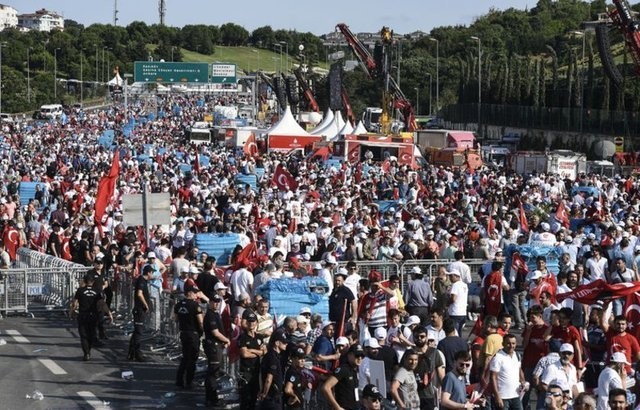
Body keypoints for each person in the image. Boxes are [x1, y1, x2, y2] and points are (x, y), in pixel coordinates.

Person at [71, 274, 110, 361]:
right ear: (93, 282)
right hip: (93, 315)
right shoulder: (97, 291)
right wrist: (109, 313)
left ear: (84, 281)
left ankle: (86, 353)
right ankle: (88, 350)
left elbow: (75, 303)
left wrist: (72, 312)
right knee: (91, 334)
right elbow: (102, 303)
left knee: (83, 335)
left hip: (83, 315)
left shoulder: (80, 290)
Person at [173, 285, 204, 389]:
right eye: (194, 293)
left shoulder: (178, 304)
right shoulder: (195, 305)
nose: (196, 295)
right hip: (193, 333)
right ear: (190, 293)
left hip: (183, 333)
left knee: (185, 357)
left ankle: (179, 379)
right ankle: (189, 381)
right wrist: (202, 330)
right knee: (192, 358)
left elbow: (175, 319)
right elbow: (200, 321)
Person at [203, 294, 230, 407]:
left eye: (218, 302)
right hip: (213, 346)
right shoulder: (210, 315)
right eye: (214, 302)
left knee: (213, 372)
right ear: (210, 302)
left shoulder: (215, 314)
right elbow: (215, 333)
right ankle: (212, 398)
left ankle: (211, 397)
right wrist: (226, 340)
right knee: (213, 372)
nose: (216, 304)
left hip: (216, 346)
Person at [322, 344, 365, 410]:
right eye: (357, 355)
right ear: (349, 355)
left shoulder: (355, 370)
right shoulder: (343, 369)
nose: (360, 358)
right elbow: (326, 387)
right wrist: (337, 407)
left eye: (362, 356)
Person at [238, 311, 266, 409]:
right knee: (245, 398)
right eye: (250, 321)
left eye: (254, 321)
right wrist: (258, 353)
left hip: (256, 372)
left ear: (257, 323)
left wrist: (252, 350)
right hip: (246, 372)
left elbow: (264, 351)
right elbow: (244, 354)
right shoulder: (243, 337)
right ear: (247, 323)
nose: (252, 323)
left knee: (254, 398)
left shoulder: (259, 337)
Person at [489, 333, 526, 410]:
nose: (511, 346)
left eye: (513, 343)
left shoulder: (517, 355)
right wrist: (497, 396)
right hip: (503, 397)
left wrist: (523, 381)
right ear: (503, 344)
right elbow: (493, 377)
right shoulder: (498, 357)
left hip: (516, 396)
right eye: (508, 343)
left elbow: (519, 370)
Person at [128, 265, 153, 362]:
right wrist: (146, 305)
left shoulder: (143, 280)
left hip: (139, 310)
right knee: (139, 333)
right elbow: (139, 293)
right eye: (152, 272)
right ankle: (137, 354)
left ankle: (131, 353)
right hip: (139, 310)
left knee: (137, 333)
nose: (152, 274)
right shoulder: (141, 281)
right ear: (148, 273)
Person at [258, 331, 289, 409]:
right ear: (277, 343)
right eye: (284, 342)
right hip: (272, 397)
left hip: (273, 396)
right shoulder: (272, 357)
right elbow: (269, 378)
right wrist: (264, 394)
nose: (286, 344)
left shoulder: (274, 356)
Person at [329, 269, 357, 336]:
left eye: (339, 281)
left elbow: (353, 302)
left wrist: (353, 316)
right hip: (334, 319)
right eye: (336, 280)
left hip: (343, 320)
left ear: (343, 281)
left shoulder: (345, 290)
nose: (337, 282)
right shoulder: (334, 291)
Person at [447, 269, 468, 336]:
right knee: (459, 332)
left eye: (451, 276)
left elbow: (453, 298)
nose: (449, 278)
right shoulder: (464, 285)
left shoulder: (455, 285)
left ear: (456, 276)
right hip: (463, 312)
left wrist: (447, 304)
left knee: (454, 332)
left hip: (455, 312)